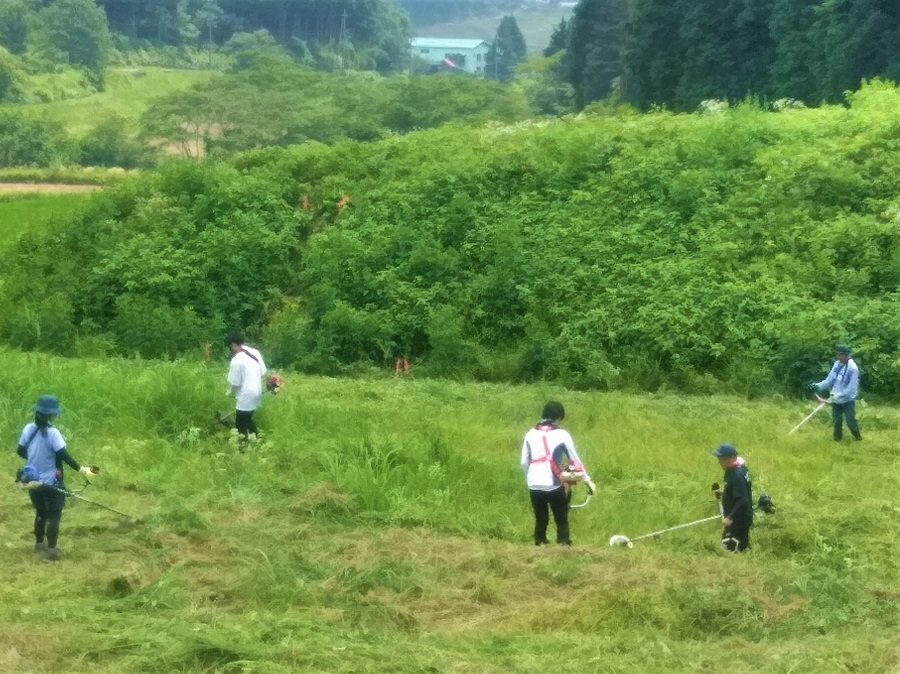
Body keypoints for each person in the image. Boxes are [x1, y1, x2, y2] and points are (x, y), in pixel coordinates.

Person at [15, 395, 95, 562]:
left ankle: (38, 545)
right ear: (52, 415)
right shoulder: (53, 433)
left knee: (40, 513)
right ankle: (51, 551)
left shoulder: (28, 429)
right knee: (53, 516)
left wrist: (35, 459)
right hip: (51, 482)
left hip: (31, 481)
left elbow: (21, 451)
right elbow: (63, 455)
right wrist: (82, 469)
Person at [520, 401, 593, 546]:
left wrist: (530, 477)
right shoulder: (562, 434)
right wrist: (587, 480)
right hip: (553, 484)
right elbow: (574, 459)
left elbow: (523, 462)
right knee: (561, 517)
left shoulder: (530, 434)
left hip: (534, 484)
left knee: (541, 518)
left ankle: (540, 543)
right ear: (558, 417)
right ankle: (563, 544)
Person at [809, 344, 861, 442]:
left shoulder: (853, 368)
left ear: (846, 355)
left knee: (850, 421)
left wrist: (834, 398)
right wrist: (817, 386)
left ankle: (858, 438)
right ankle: (837, 441)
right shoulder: (837, 364)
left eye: (840, 355)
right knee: (836, 421)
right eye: (837, 355)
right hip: (835, 399)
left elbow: (850, 389)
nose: (838, 357)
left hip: (847, 400)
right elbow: (829, 380)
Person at [710, 442, 753, 553]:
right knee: (737, 545)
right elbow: (740, 490)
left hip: (739, 521)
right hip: (740, 518)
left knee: (730, 549)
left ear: (730, 459)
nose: (719, 462)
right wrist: (725, 492)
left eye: (721, 459)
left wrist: (730, 518)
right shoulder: (740, 468)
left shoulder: (736, 475)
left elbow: (743, 500)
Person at [226, 333, 267, 444]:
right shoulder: (255, 352)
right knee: (248, 419)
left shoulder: (236, 360)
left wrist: (231, 393)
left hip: (246, 394)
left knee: (240, 423)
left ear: (233, 344)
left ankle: (243, 447)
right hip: (257, 391)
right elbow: (263, 372)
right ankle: (259, 440)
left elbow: (235, 383)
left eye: (231, 346)